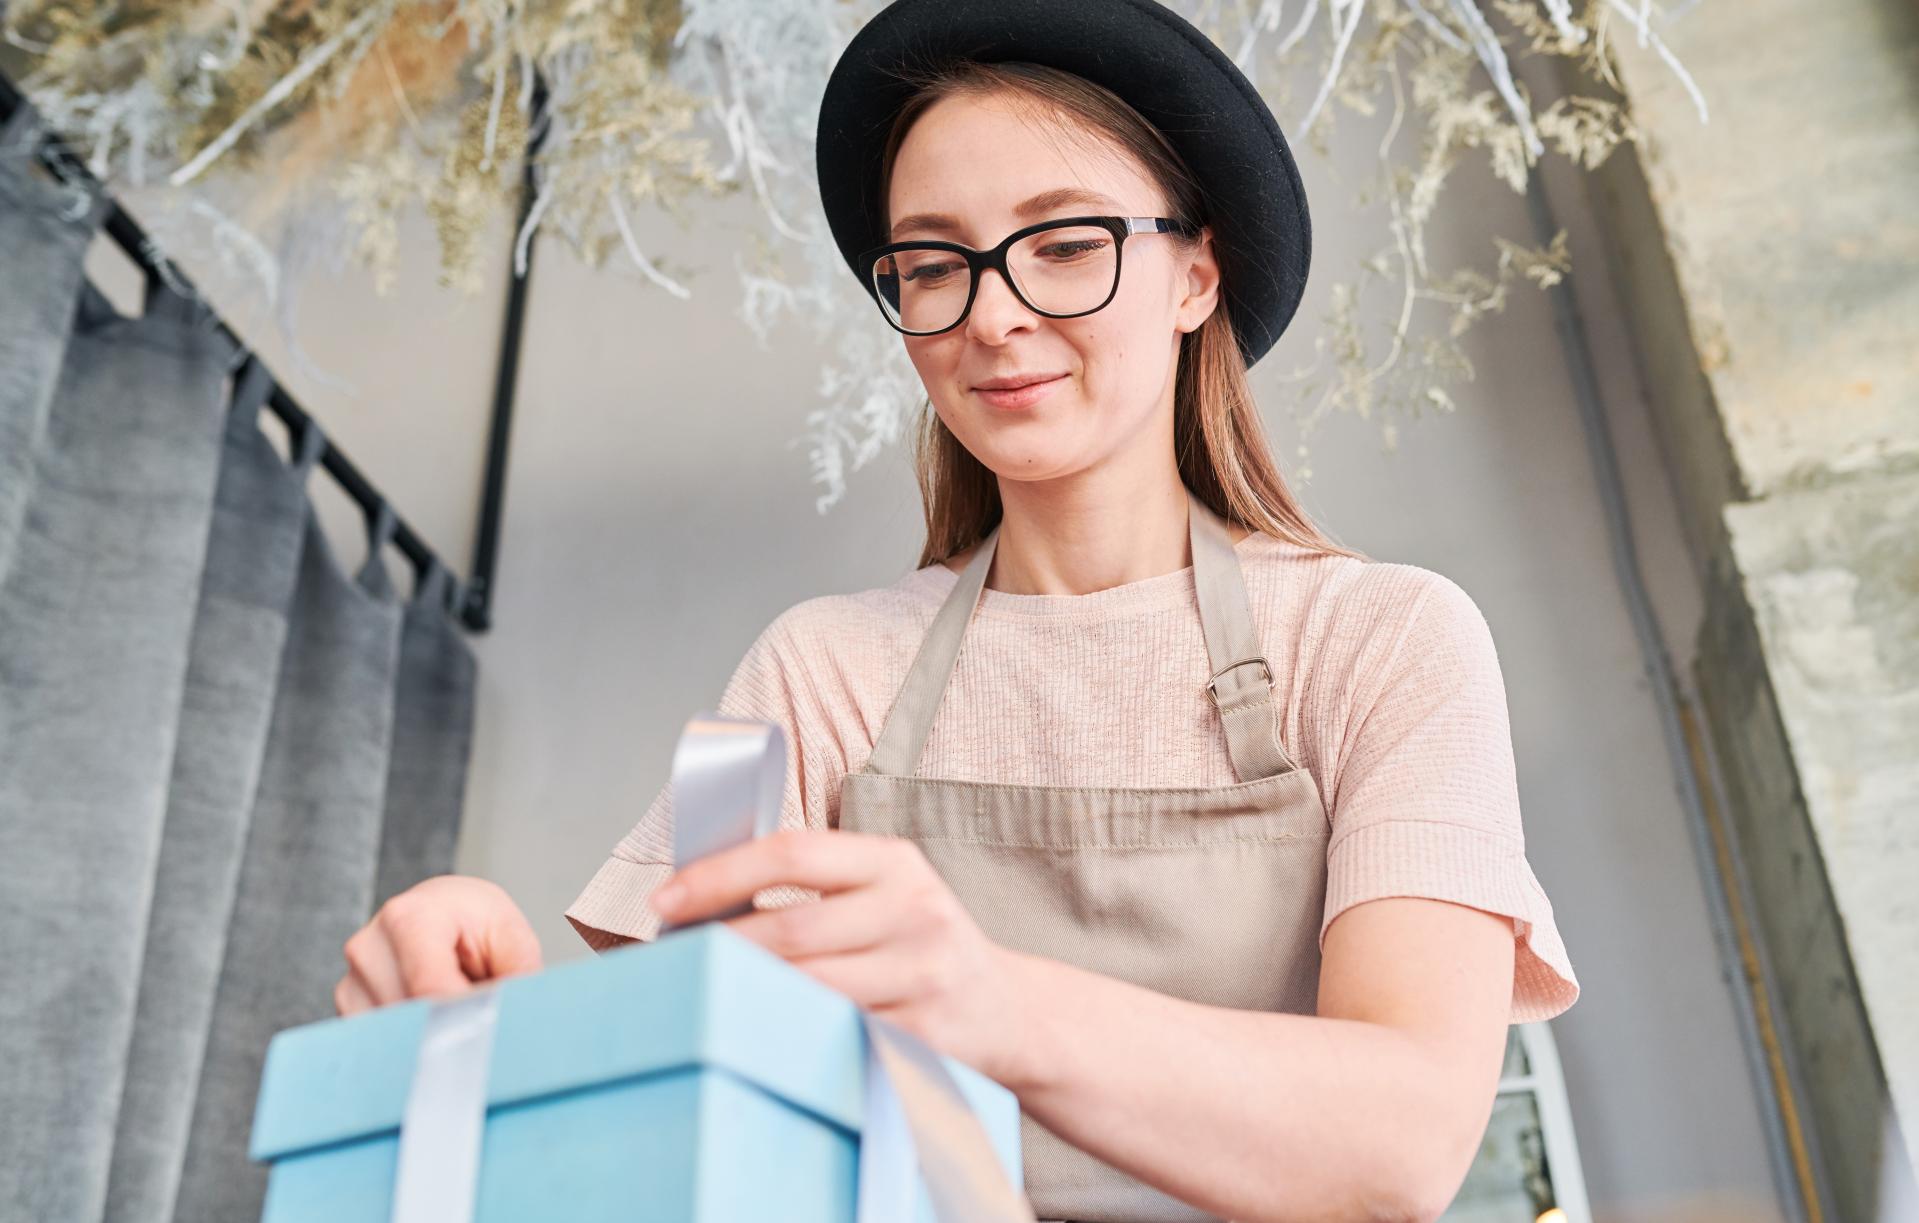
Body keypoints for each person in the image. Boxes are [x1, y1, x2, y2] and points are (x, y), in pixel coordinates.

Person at [334, 2, 1579, 1219]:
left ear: (1196, 274)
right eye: (932, 264)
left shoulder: (1387, 641)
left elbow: (1403, 1139)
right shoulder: (807, 671)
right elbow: (698, 1067)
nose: (990, 313)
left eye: (1063, 243)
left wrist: (993, 1000)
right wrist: (486, 1017)